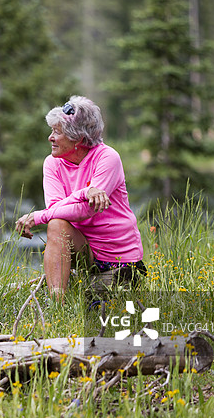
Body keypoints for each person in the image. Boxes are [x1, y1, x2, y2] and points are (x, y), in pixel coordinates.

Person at [15, 96, 145, 298]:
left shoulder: (107, 158)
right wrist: (85, 192)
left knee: (98, 307)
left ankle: (105, 284)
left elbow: (87, 210)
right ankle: (57, 305)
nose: (50, 137)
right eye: (52, 131)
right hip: (86, 251)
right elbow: (56, 209)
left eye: (57, 132)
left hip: (118, 259)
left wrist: (38, 216)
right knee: (56, 224)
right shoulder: (52, 163)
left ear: (79, 139)